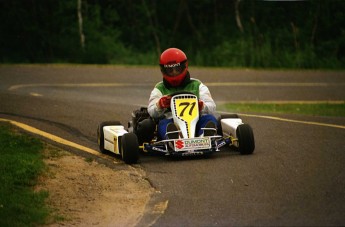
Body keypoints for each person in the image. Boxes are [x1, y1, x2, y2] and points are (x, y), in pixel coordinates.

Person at [147, 47, 218, 140]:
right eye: (170, 71)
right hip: (172, 122)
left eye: (177, 69)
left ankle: (204, 137)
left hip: (196, 122)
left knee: (209, 118)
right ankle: (174, 139)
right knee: (163, 123)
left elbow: (212, 107)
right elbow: (151, 111)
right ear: (163, 71)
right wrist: (160, 105)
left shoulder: (197, 85)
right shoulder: (159, 89)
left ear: (185, 66)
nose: (174, 73)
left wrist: (202, 106)